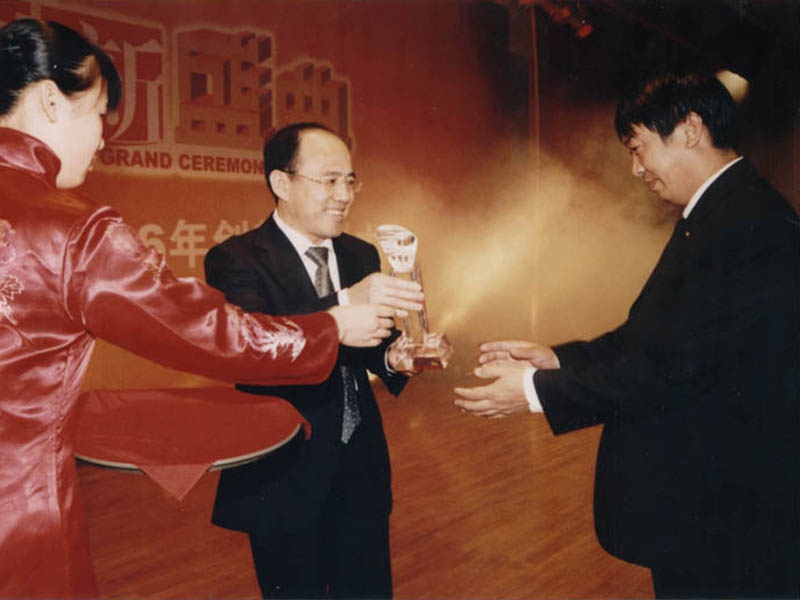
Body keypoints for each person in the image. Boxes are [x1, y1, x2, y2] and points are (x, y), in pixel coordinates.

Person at [0, 19, 395, 599]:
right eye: (101, 112)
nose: (104, 137)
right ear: (51, 101)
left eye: (349, 180)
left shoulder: (359, 252)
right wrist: (331, 325)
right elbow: (208, 331)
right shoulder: (72, 229)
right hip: (19, 508)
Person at [454, 70, 800, 598]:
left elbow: (672, 367)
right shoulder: (719, 212)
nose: (636, 169)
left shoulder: (745, 223)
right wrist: (556, 360)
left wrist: (533, 392)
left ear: (690, 130)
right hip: (711, 506)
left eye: (638, 148)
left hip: (725, 512)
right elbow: (651, 337)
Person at [205, 122, 424, 599]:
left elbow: (369, 346)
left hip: (359, 470)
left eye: (350, 180)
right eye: (328, 180)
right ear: (281, 183)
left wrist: (396, 357)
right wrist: (345, 302)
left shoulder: (360, 254)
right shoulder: (236, 259)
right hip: (284, 473)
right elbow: (256, 346)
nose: (344, 195)